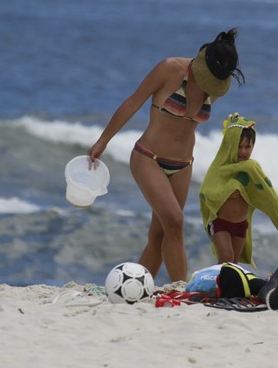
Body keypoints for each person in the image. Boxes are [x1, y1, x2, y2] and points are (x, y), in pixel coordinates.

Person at [87, 29, 245, 282]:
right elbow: (133, 102)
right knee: (175, 222)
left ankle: (136, 288)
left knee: (160, 236)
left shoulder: (214, 84)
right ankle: (181, 290)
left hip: (183, 165)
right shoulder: (169, 69)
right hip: (148, 157)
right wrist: (103, 140)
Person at [199, 113, 278, 267]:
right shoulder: (219, 167)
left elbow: (267, 195)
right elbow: (207, 192)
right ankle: (216, 287)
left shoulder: (252, 169)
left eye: (247, 147)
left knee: (234, 263)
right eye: (238, 146)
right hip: (220, 222)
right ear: (229, 146)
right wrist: (227, 191)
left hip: (241, 225)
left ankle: (229, 290)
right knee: (226, 256)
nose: (243, 152)